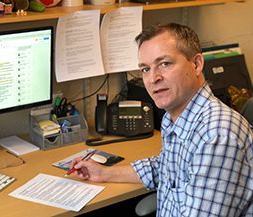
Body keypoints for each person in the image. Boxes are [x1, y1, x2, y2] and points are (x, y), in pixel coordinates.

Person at [71, 23, 253, 216]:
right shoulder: (175, 117)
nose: (153, 78)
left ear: (197, 64)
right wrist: (104, 173)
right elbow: (167, 167)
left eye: (165, 64)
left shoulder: (217, 137)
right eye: (145, 69)